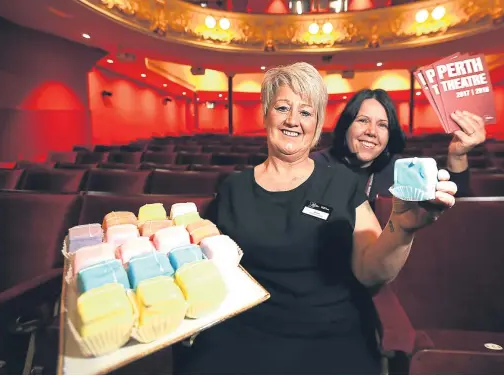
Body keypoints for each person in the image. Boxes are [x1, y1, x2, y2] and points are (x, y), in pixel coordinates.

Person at [178, 62, 457, 375]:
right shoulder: (232, 187)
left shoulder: (342, 182)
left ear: (318, 122)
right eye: (282, 107)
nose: (293, 120)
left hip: (328, 335)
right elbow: (212, 268)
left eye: (306, 112)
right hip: (239, 331)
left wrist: (402, 227)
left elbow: (370, 271)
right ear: (266, 113)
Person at [311, 89, 486, 200]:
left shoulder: (406, 171)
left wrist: (457, 155)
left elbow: (457, 208)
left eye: (382, 125)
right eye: (363, 120)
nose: (371, 131)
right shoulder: (314, 166)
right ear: (346, 125)